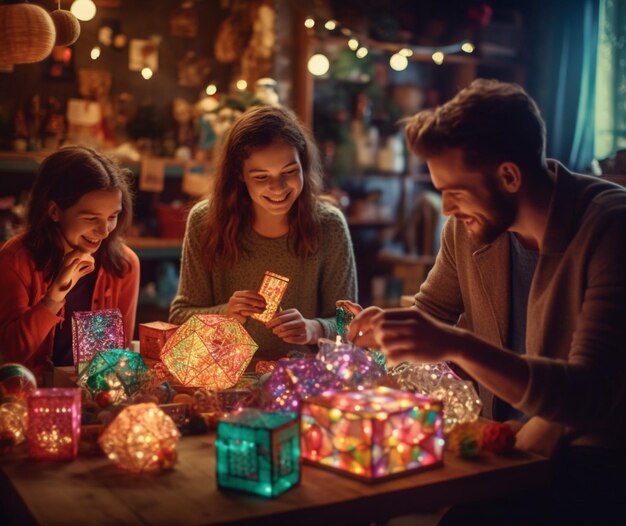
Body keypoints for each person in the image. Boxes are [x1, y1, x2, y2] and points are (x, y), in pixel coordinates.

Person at [344, 79, 626, 524]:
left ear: (509, 176)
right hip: (505, 446)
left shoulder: (610, 228)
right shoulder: (469, 228)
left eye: (454, 191)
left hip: (593, 458)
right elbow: (431, 311)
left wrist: (457, 345)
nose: (445, 207)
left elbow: (587, 397)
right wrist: (388, 326)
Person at [169, 105, 357, 361]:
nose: (277, 188)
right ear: (239, 175)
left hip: (303, 379)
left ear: (303, 163)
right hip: (224, 381)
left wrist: (313, 329)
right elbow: (179, 316)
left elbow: (350, 323)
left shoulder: (329, 226)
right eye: (260, 177)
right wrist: (225, 313)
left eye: (289, 172)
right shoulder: (205, 221)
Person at [0, 146, 140, 383]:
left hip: (95, 399)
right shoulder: (17, 259)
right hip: (30, 399)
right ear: (54, 210)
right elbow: (13, 354)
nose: (104, 231)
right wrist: (53, 297)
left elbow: (118, 358)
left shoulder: (123, 265)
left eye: (112, 216)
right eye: (91, 218)